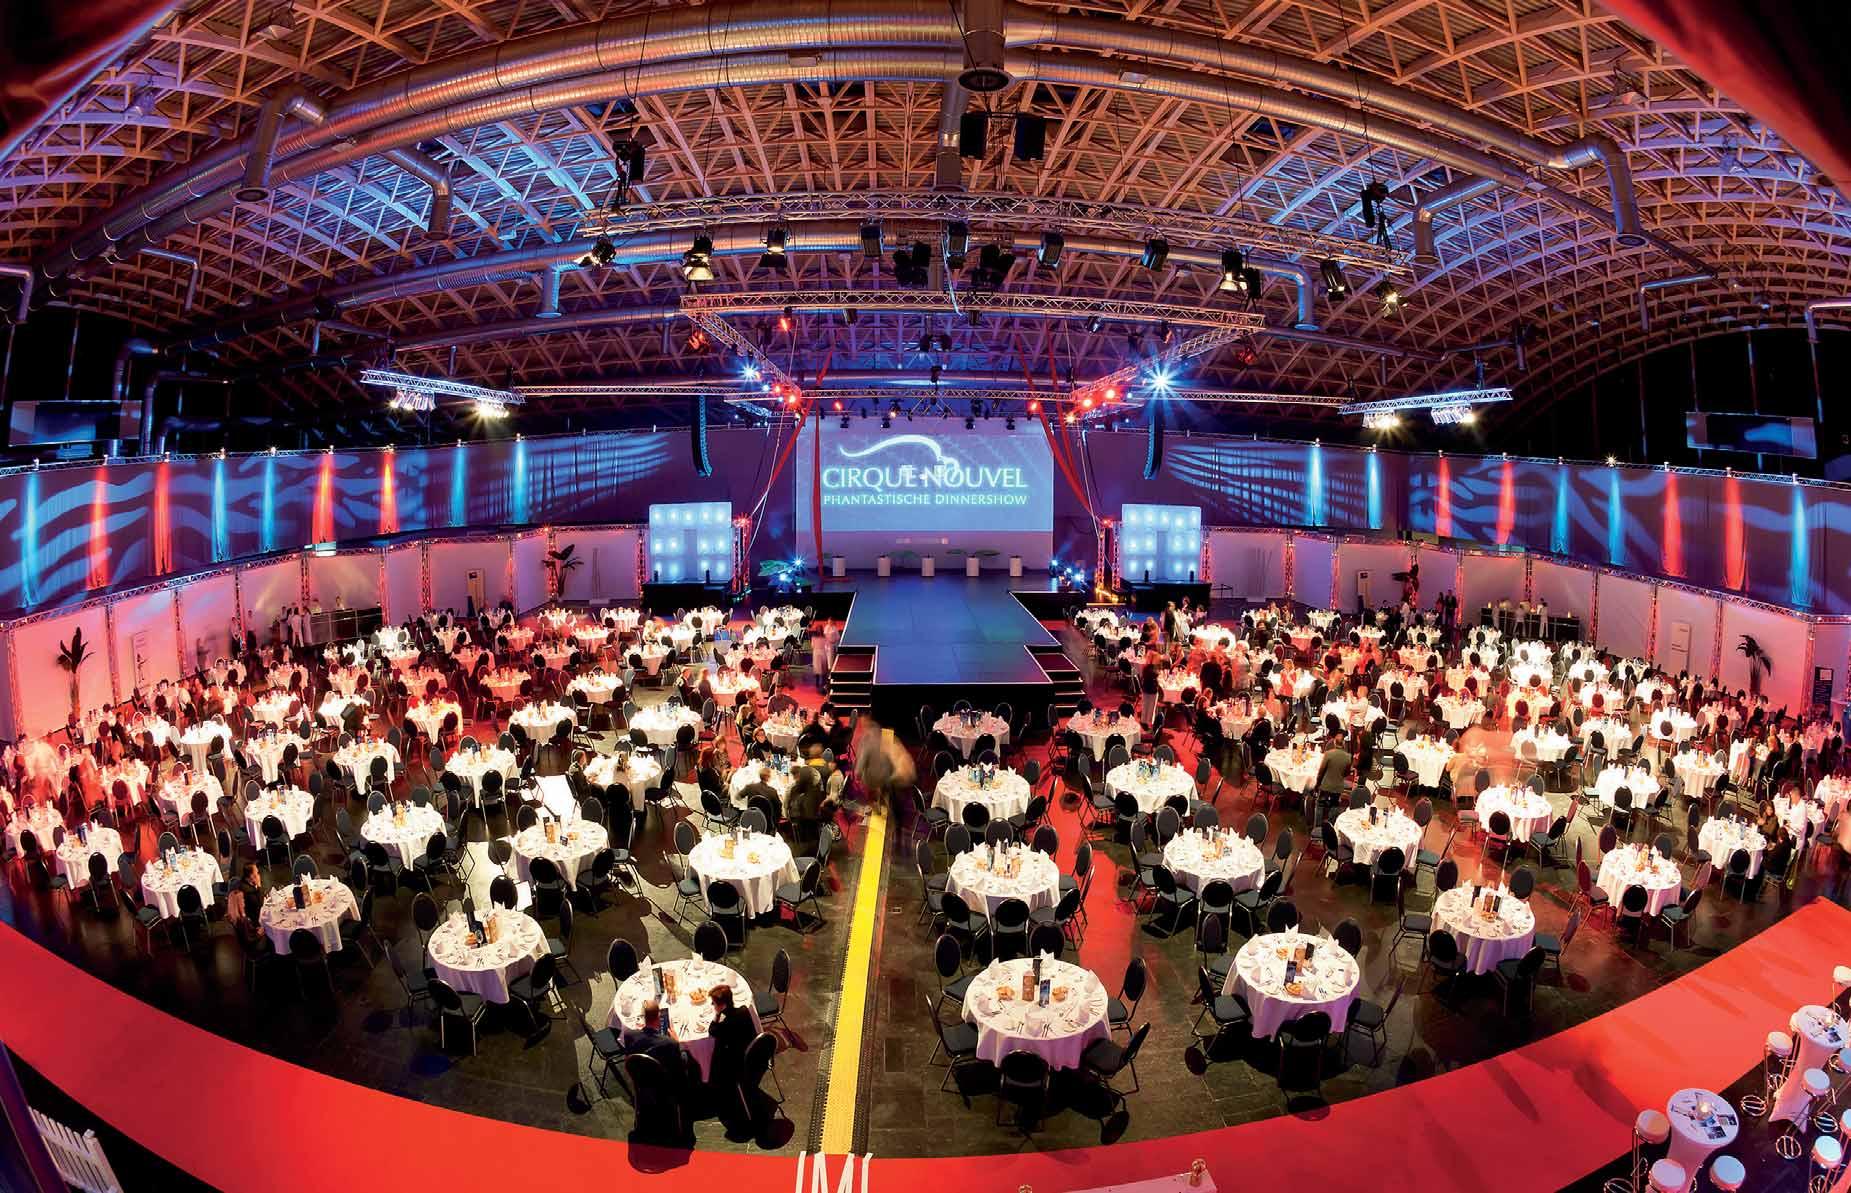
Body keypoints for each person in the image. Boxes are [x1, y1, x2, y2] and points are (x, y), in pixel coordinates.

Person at [705, 983, 756, 1090]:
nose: (712, 1005)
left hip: (735, 1065)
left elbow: (711, 1031)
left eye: (713, 1003)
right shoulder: (744, 1010)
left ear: (722, 1005)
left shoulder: (724, 1026)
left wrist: (717, 1014)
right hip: (752, 1055)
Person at [621, 998, 685, 1073]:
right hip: (665, 1077)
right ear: (659, 1016)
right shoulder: (670, 1043)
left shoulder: (629, 1034)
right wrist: (677, 1042)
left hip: (640, 1075)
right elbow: (679, 1066)